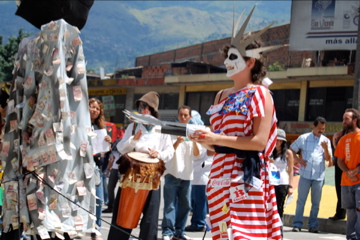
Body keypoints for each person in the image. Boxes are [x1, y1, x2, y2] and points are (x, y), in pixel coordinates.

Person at [190, 6, 284, 239]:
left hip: (245, 177)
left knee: (243, 235)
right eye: (227, 57)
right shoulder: (221, 95)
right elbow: (216, 146)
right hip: (219, 175)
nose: (226, 62)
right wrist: (204, 140)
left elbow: (259, 142)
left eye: (233, 57)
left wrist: (215, 138)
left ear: (250, 62)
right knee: (222, 235)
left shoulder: (260, 94)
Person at [108, 91, 174, 240]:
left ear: (152, 110)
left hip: (153, 175)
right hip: (132, 173)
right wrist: (133, 140)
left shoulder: (162, 128)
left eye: (145, 107)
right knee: (123, 211)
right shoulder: (133, 126)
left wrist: (159, 154)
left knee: (150, 217)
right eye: (140, 107)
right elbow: (120, 148)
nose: (141, 110)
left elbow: (170, 151)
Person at [162, 106, 202, 240]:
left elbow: (197, 155)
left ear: (190, 117)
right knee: (170, 204)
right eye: (181, 115)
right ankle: (167, 232)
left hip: (187, 173)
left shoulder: (193, 131)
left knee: (186, 205)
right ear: (178, 116)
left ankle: (179, 232)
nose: (183, 117)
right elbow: (167, 151)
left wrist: (195, 142)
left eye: (186, 115)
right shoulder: (171, 130)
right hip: (172, 171)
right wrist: (177, 143)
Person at [290, 116, 332, 233]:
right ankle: (297, 224)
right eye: (319, 128)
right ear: (313, 126)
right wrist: (298, 160)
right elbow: (291, 150)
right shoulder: (303, 138)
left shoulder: (326, 141)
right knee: (301, 201)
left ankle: (313, 225)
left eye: (323, 129)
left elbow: (328, 159)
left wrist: (325, 149)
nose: (321, 131)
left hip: (319, 176)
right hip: (305, 175)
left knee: (316, 203)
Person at [334, 108, 360, 240]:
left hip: (359, 182)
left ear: (355, 120)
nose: (344, 121)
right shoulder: (343, 139)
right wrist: (348, 172)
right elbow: (339, 160)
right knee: (350, 212)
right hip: (346, 182)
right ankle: (350, 237)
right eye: (343, 118)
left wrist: (355, 171)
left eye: (347, 119)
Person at [89, 98, 112, 239]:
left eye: (97, 109)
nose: (95, 110)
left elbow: (105, 151)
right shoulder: (79, 124)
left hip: (96, 167)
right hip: (80, 166)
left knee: (99, 200)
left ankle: (95, 229)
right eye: (92, 107)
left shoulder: (100, 128)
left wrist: (108, 143)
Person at [270, 128, 294, 236]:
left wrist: (290, 186)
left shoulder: (288, 153)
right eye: (276, 140)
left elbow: (291, 170)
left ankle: (279, 232)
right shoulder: (269, 151)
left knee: (279, 207)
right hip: (270, 181)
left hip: (282, 182)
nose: (278, 142)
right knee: (269, 207)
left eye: (281, 140)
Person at [329, 129, 347, 220]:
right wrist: (334, 139)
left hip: (352, 165)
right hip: (340, 164)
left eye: (347, 119)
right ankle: (340, 213)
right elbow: (337, 149)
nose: (344, 121)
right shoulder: (341, 134)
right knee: (339, 189)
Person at [102, 139, 121, 213]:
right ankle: (111, 206)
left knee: (122, 189)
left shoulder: (126, 149)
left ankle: (119, 206)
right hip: (114, 169)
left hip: (122, 170)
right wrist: (108, 169)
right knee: (110, 187)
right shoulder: (114, 149)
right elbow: (111, 159)